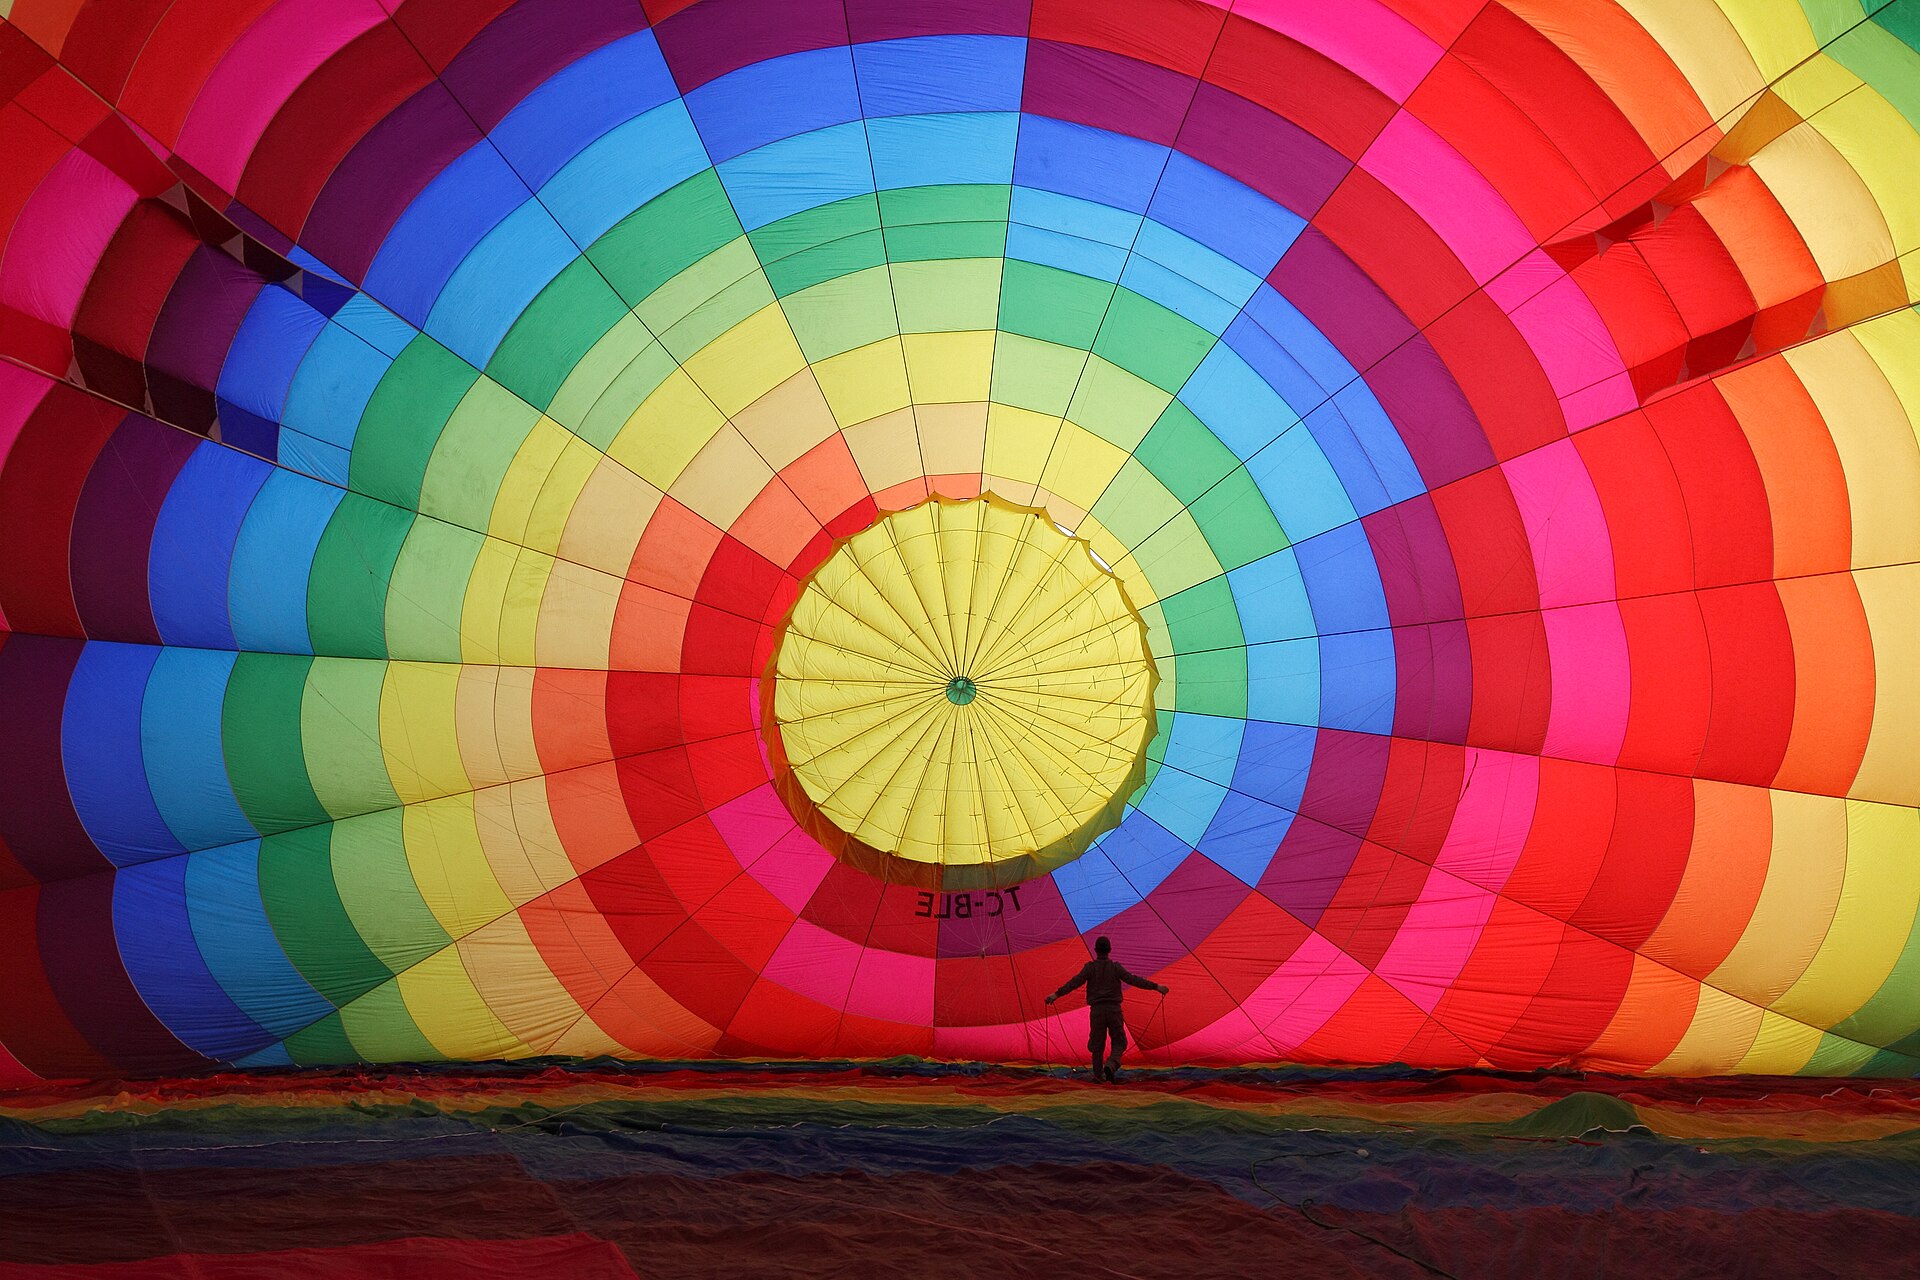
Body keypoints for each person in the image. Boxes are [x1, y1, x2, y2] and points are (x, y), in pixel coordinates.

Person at [1046, 935, 1168, 1081]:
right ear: (1109, 950)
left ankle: (1098, 1075)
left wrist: (1056, 994)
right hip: (1113, 1010)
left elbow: (1074, 983)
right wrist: (1156, 987)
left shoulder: (1090, 968)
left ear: (1096, 950)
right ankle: (1111, 1064)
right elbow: (1134, 980)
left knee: (1097, 1044)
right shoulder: (1116, 968)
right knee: (1119, 1041)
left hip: (1097, 1011)